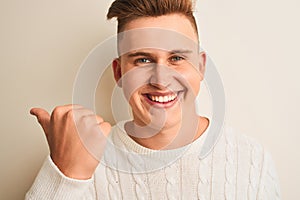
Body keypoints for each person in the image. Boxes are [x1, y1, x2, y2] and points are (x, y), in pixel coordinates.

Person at [25, 0, 281, 199]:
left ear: (201, 67)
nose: (161, 79)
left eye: (177, 58)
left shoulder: (252, 161)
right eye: (143, 60)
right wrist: (66, 177)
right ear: (119, 73)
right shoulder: (80, 160)